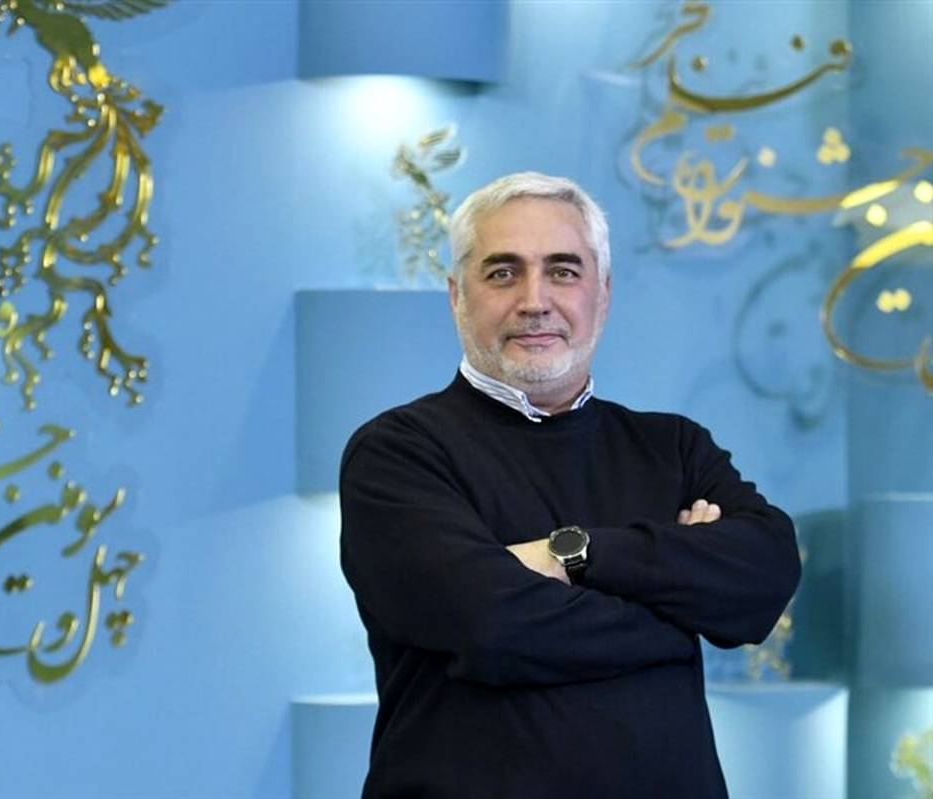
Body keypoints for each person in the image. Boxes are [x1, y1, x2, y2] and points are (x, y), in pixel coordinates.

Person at [339, 172, 801, 799]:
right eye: (503, 272)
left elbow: (765, 575)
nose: (535, 300)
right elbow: (492, 628)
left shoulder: (673, 446)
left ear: (602, 294)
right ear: (456, 295)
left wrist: (575, 555)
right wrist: (679, 609)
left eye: (563, 271)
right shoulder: (396, 453)